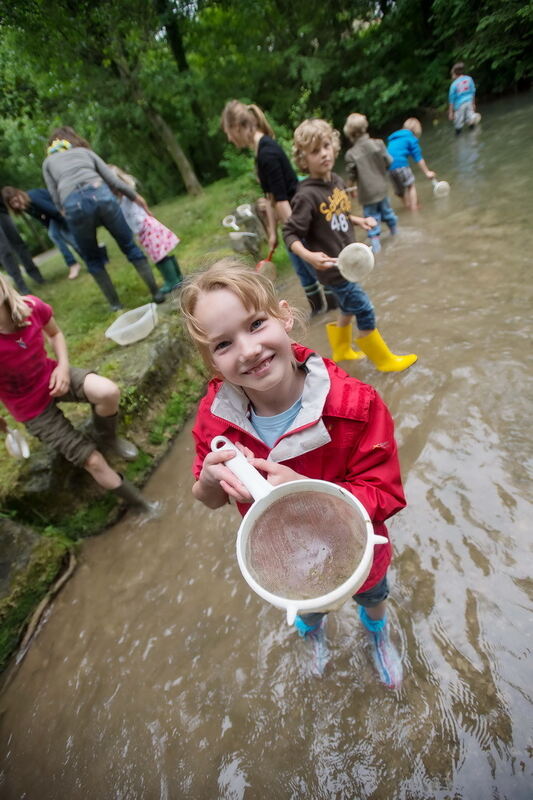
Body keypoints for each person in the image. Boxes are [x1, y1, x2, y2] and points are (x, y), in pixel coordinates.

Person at [180, 261, 405, 687]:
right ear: (210, 362)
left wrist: (309, 492)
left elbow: (385, 493)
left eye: (257, 323)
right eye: (223, 344)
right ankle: (313, 632)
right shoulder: (215, 421)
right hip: (285, 559)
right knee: (308, 606)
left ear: (286, 316)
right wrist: (208, 481)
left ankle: (377, 633)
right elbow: (208, 497)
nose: (247, 350)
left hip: (359, 545)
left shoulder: (356, 406)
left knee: (372, 595)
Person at [0, 274, 153, 511]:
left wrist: (62, 368)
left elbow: (56, 334)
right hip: (30, 408)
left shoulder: (31, 307)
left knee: (108, 392)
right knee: (92, 460)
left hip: (51, 374)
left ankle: (109, 438)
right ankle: (144, 506)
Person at [283, 118, 417, 371]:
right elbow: (289, 233)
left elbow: (338, 215)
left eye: (326, 146)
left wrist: (359, 220)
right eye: (314, 151)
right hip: (333, 268)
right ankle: (384, 361)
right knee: (365, 309)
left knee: (347, 307)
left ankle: (341, 349)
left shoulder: (336, 181)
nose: (323, 154)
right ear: (303, 160)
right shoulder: (305, 195)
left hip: (349, 262)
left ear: (334, 146)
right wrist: (309, 256)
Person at [221, 100, 336, 316]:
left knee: (317, 270)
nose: (229, 137)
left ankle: (333, 313)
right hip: (291, 220)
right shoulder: (260, 151)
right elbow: (271, 196)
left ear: (237, 127)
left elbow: (282, 200)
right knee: (304, 274)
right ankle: (319, 314)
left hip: (298, 219)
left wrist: (296, 237)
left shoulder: (267, 153)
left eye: (228, 131)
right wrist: (273, 233)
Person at [42, 126, 164, 311]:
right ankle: (156, 292)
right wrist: (136, 197)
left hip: (74, 205)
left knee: (92, 259)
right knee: (129, 246)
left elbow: (53, 193)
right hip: (101, 195)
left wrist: (63, 210)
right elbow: (113, 181)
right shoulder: (85, 152)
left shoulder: (48, 162)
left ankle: (116, 305)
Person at [108, 166, 183, 294]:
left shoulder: (128, 196)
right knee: (162, 253)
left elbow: (138, 205)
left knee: (159, 256)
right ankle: (177, 277)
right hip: (145, 229)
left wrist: (145, 214)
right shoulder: (122, 200)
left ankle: (172, 280)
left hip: (146, 228)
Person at [343, 113, 398, 254]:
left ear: (349, 132)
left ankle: (376, 251)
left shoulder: (351, 154)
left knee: (371, 221)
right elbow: (389, 162)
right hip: (382, 188)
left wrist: (349, 190)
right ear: (365, 126)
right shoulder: (378, 144)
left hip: (367, 194)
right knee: (388, 214)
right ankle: (396, 235)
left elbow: (351, 176)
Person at [2, 185, 83, 280]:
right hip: (54, 218)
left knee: (55, 235)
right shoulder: (26, 206)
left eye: (15, 200)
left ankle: (72, 263)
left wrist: (67, 225)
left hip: (60, 213)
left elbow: (54, 211)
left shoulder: (33, 198)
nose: (15, 205)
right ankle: (91, 257)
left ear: (18, 194)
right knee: (68, 238)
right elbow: (42, 219)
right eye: (12, 203)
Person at [386, 118, 436, 211]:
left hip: (389, 168)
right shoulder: (410, 138)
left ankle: (407, 206)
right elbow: (418, 158)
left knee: (400, 191)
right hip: (401, 165)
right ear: (416, 131)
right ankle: (414, 209)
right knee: (410, 185)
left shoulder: (393, 139)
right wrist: (427, 172)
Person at [0, 192, 45, 294]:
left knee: (19, 245)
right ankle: (21, 285)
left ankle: (37, 276)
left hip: (2, 212)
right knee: (5, 251)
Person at [448, 63, 477, 134]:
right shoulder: (469, 79)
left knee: (458, 123)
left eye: (452, 74)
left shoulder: (454, 85)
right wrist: (473, 104)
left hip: (459, 105)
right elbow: (473, 91)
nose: (452, 76)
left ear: (455, 74)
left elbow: (451, 100)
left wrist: (451, 112)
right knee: (470, 120)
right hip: (469, 103)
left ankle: (458, 135)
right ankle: (473, 132)